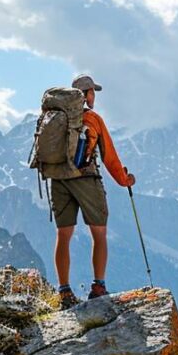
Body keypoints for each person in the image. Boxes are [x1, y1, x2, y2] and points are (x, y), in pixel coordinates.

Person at [51, 74, 136, 309]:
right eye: (92, 92)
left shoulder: (56, 119)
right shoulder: (93, 119)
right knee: (98, 233)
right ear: (86, 94)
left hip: (58, 179)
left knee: (63, 236)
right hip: (85, 178)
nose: (94, 96)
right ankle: (98, 287)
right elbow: (109, 156)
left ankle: (64, 292)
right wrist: (124, 180)